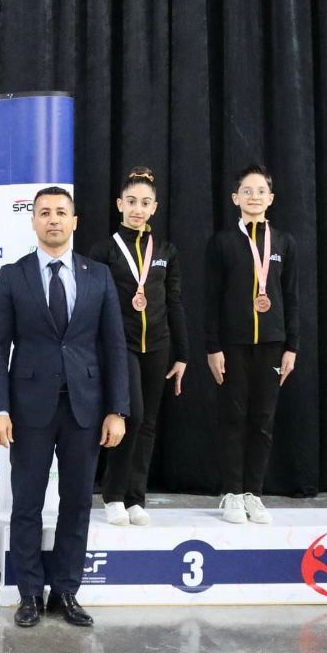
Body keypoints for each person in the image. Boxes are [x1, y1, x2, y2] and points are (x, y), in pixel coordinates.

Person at [0, 186, 129, 628]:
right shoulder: (13, 275)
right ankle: (29, 593)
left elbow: (114, 346)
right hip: (28, 410)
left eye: (61, 212)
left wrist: (117, 409)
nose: (53, 219)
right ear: (33, 221)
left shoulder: (98, 275)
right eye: (44, 212)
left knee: (77, 503)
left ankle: (66, 590)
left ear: (74, 221)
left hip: (85, 410)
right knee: (27, 503)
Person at [88, 167, 189, 526]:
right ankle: (113, 495)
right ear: (119, 204)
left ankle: (136, 498)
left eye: (145, 203)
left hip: (158, 345)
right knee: (131, 416)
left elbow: (174, 301)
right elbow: (92, 305)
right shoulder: (104, 250)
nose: (138, 208)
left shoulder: (165, 250)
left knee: (148, 424)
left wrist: (182, 353)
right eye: (131, 201)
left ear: (154, 208)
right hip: (121, 346)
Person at [204, 163, 299, 524]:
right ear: (235, 198)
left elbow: (291, 298)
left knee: (262, 419)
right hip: (233, 345)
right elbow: (211, 299)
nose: (254, 196)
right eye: (247, 191)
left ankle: (253, 493)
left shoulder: (284, 243)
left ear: (271, 198)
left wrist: (292, 346)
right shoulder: (222, 243)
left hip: (273, 344)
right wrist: (213, 347)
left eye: (261, 191)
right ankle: (231, 493)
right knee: (233, 417)